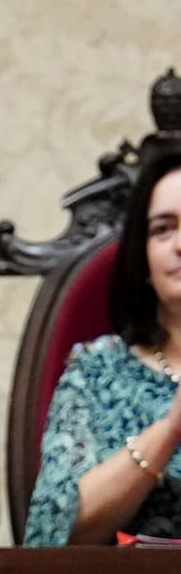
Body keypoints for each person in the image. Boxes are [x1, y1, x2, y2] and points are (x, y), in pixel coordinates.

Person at [25, 138, 181, 546]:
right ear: (143, 258)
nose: (180, 244)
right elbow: (50, 534)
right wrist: (170, 429)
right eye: (163, 229)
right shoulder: (95, 372)